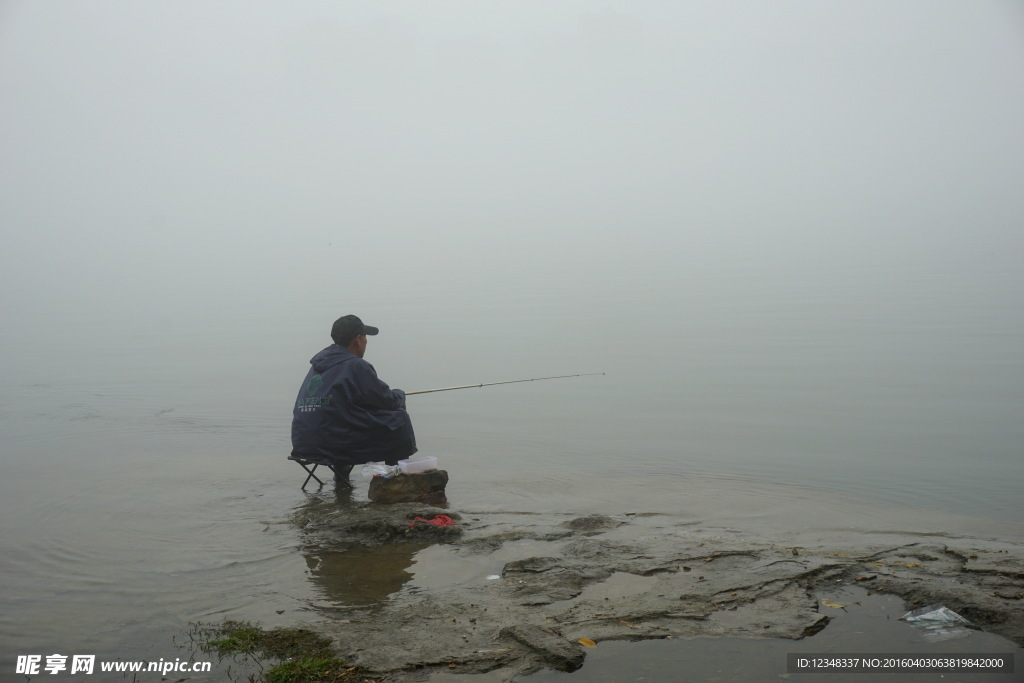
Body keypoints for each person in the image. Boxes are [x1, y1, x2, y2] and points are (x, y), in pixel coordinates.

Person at [291, 315, 417, 486]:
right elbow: (384, 399)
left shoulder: (318, 364)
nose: (366, 342)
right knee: (399, 418)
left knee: (341, 418)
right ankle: (394, 479)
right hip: (334, 445)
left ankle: (341, 480)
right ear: (358, 340)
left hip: (304, 443)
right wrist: (400, 395)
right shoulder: (357, 365)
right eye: (365, 337)